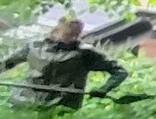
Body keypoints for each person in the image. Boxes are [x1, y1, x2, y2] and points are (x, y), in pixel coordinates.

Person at [1, 18, 129, 109]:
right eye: (68, 34)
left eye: (76, 34)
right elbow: (6, 64)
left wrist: (104, 89)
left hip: (61, 108)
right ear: (56, 31)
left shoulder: (85, 53)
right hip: (24, 103)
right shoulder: (34, 47)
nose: (73, 38)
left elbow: (120, 71)